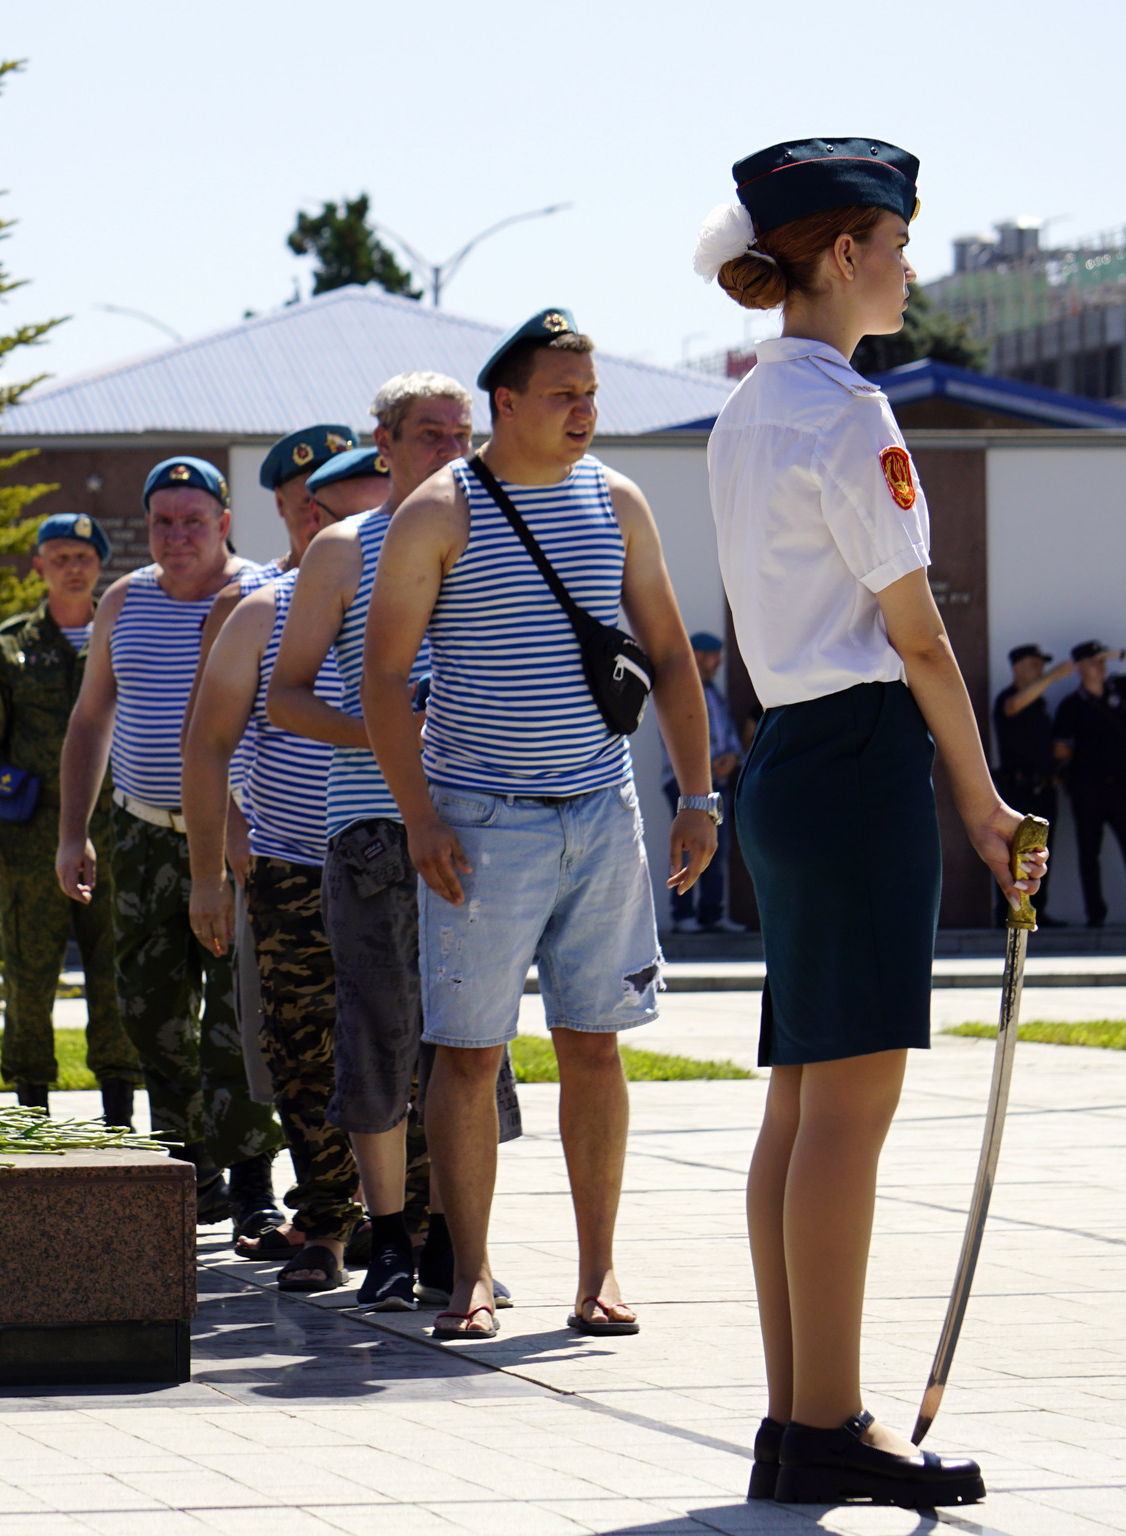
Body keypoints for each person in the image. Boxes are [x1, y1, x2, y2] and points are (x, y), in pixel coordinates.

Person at [701, 135, 1045, 1507]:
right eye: (896, 241)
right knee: (850, 1101)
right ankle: (829, 1416)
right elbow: (916, 635)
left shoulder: (748, 410)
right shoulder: (848, 411)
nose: (908, 264)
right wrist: (983, 796)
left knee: (803, 1099)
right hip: (852, 757)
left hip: (789, 752)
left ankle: (802, 1420)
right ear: (844, 253)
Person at [361, 314, 719, 1343]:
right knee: (468, 1055)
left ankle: (597, 1272)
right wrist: (418, 815)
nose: (583, 410)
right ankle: (468, 1272)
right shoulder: (439, 512)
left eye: (590, 392)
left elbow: (666, 651)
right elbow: (383, 678)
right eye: (562, 393)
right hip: (478, 821)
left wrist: (694, 796)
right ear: (505, 404)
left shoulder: (617, 500)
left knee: (592, 1045)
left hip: (601, 815)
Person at [269, 381, 524, 1313]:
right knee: (377, 1034)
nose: (452, 449)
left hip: (483, 822)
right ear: (385, 444)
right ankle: (386, 1244)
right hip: (374, 830)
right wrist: (385, 735)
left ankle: (467, 1248)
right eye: (430, 435)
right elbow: (286, 696)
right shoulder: (344, 548)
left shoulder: (500, 532)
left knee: (474, 1042)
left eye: (464, 433)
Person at [56, 458, 285, 1224]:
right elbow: (91, 720)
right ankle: (192, 1164)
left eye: (194, 520)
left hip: (239, 838)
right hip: (142, 835)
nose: (177, 535)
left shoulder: (261, 597)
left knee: (235, 1016)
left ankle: (253, 1181)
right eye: (162, 521)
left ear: (225, 523)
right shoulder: (123, 602)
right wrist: (72, 833)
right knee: (150, 1011)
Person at [181, 464, 376, 1290]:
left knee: (411, 1052)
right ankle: (328, 1224)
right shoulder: (262, 610)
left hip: (400, 861)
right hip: (292, 866)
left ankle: (424, 1231)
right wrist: (207, 876)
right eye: (317, 513)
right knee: (302, 1052)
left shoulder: (428, 597)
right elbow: (206, 744)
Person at [0, 513, 142, 1124]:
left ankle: (119, 1115)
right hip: (30, 842)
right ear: (38, 565)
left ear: (99, 566)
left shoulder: (124, 637)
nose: (71, 565)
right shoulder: (10, 647)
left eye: (83, 556)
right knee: (28, 978)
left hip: (117, 836)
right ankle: (31, 1112)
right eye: (58, 555)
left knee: (117, 973)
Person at [1053, 640, 1126, 928]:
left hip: (1123, 785)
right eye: (1093, 661)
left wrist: (1120, 655)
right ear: (1079, 667)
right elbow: (1059, 749)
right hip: (1088, 788)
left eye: (1102, 660)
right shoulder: (1071, 705)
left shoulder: (1118, 689)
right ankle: (1096, 916)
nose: (1099, 665)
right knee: (1089, 855)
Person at [664, 632, 746, 933]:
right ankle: (683, 914)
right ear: (697, 655)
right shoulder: (682, 689)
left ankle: (711, 915)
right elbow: (676, 736)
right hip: (683, 782)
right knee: (688, 842)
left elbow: (727, 736)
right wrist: (708, 766)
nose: (720, 661)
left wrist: (733, 758)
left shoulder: (713, 692)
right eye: (714, 655)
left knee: (717, 846)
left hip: (717, 783)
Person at [992, 643, 1073, 924]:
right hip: (1018, 791)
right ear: (1017, 667)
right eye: (1034, 664)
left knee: (1039, 856)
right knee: (1014, 855)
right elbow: (1013, 707)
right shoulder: (1008, 698)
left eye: (1042, 665)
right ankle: (1009, 911)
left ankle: (1037, 911)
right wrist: (1052, 676)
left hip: (1044, 789)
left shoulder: (1039, 704)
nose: (1040, 670)